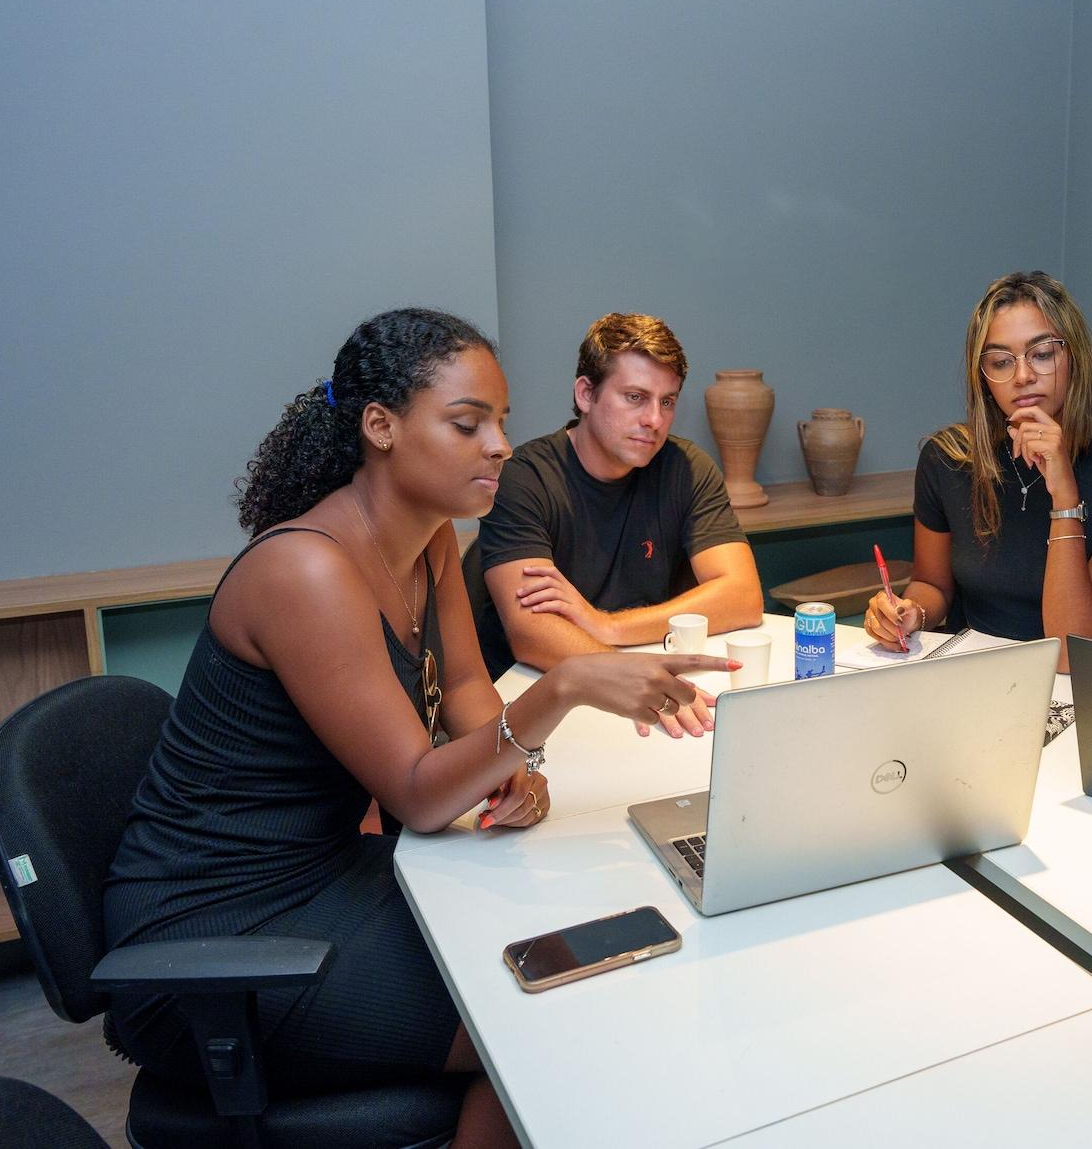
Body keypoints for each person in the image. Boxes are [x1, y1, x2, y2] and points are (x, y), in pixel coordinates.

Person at [102, 309, 732, 1149]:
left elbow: (470, 688)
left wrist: (521, 772)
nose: (501, 444)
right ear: (380, 426)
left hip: (326, 873)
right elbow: (416, 792)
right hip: (218, 931)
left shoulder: (431, 540)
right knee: (554, 1020)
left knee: (582, 969)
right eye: (469, 423)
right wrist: (569, 684)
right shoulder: (305, 572)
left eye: (501, 422)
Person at [863, 272, 1092, 665]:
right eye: (1000, 361)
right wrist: (910, 613)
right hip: (968, 673)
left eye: (1042, 354)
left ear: (1073, 357)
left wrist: (1064, 497)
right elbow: (932, 584)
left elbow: (1073, 651)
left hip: (1067, 687)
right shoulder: (948, 460)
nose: (1023, 376)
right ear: (983, 377)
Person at [467, 312, 764, 678]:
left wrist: (608, 626)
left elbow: (744, 597)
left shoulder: (687, 468)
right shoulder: (524, 479)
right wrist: (638, 678)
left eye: (667, 402)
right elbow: (534, 634)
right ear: (586, 394)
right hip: (536, 688)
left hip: (633, 671)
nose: (654, 419)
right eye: (635, 397)